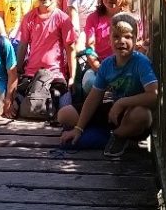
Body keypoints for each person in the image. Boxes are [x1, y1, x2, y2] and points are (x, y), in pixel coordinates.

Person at [59, 13, 158, 159]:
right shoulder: (107, 64)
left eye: (128, 37)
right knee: (64, 114)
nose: (121, 41)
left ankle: (118, 135)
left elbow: (153, 96)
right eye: (116, 36)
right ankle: (108, 133)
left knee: (143, 115)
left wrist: (122, 103)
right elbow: (93, 98)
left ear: (136, 39)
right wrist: (78, 129)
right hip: (115, 111)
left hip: (132, 111)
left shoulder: (141, 63)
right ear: (109, 40)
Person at [14, 0, 76, 123]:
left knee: (64, 105)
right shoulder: (29, 18)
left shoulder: (63, 19)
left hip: (55, 75)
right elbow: (23, 45)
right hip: (31, 74)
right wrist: (17, 71)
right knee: (15, 103)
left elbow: (70, 49)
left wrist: (72, 76)